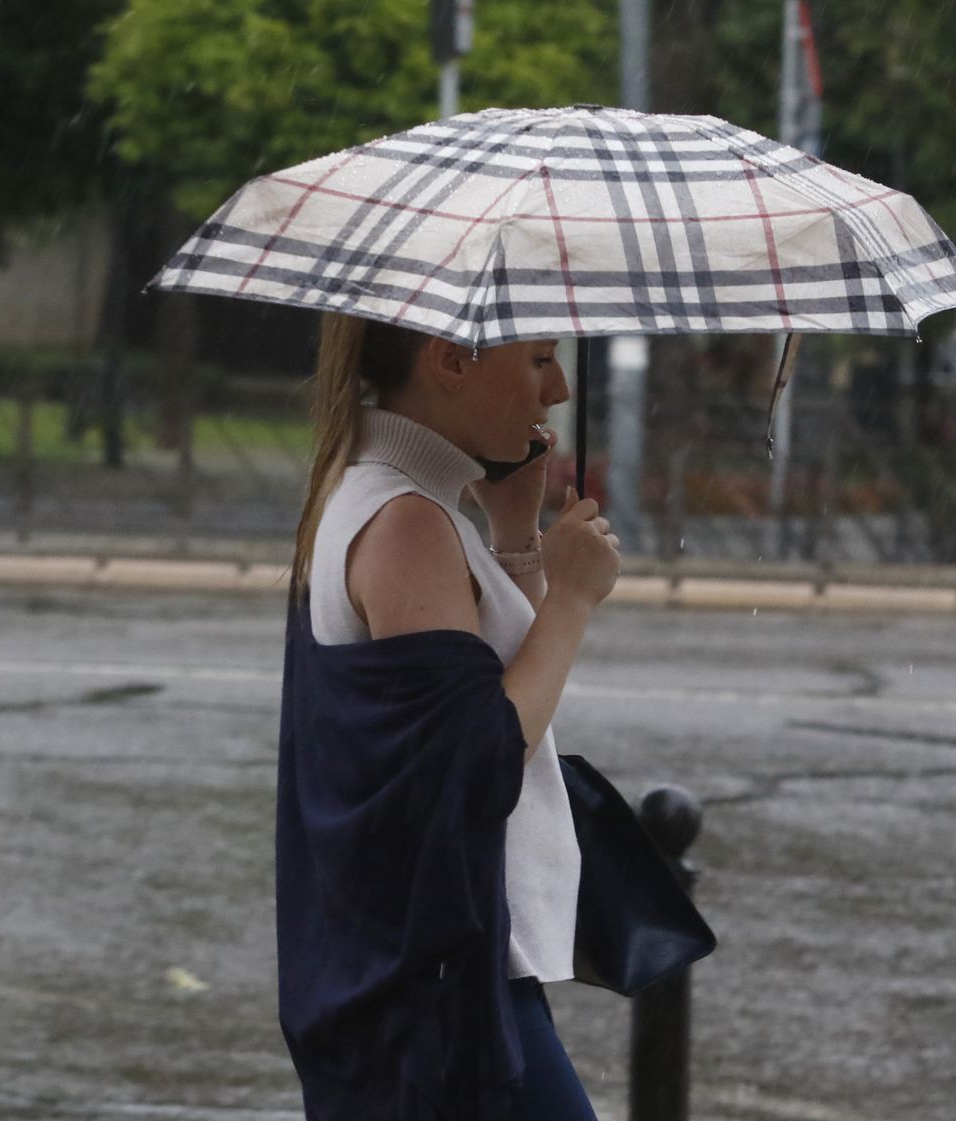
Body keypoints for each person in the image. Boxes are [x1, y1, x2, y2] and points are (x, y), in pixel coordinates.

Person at [275, 312, 620, 1121]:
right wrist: (571, 598)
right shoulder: (407, 522)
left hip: (438, 968)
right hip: (439, 982)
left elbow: (487, 701)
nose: (558, 388)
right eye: (539, 359)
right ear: (451, 361)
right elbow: (479, 761)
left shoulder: (388, 498)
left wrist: (516, 538)